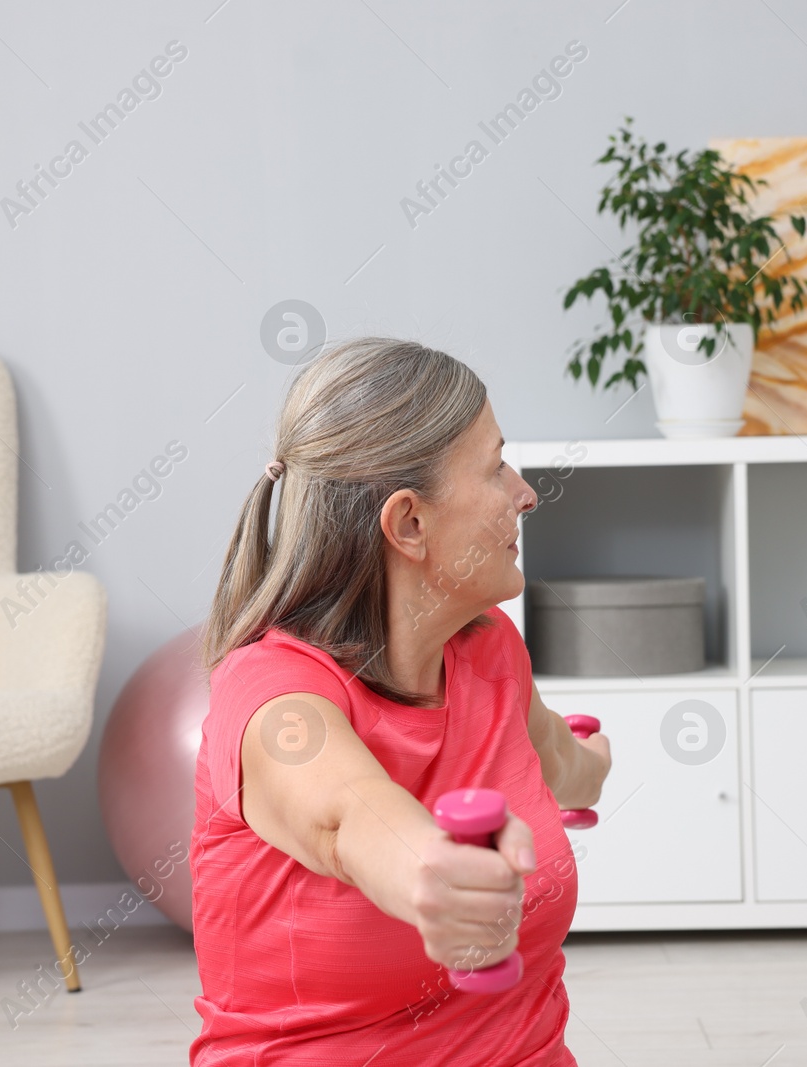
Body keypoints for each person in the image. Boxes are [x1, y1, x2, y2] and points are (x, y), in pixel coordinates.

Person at [190, 337, 611, 1066]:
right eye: (495, 467)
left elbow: (559, 757)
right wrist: (432, 871)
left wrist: (590, 763)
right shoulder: (274, 699)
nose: (525, 491)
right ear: (409, 523)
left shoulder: (491, 654)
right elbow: (346, 811)